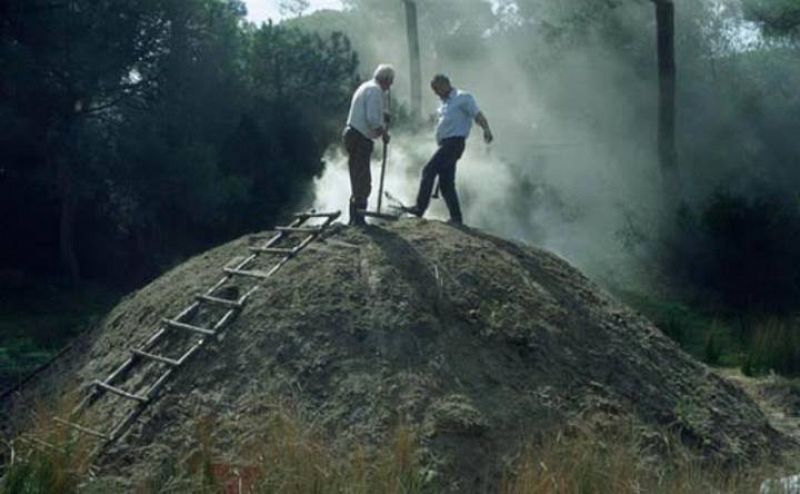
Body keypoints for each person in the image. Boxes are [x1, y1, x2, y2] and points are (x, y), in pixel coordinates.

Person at [405, 74, 493, 225]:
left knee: (428, 171)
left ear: (445, 84)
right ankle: (456, 218)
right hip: (446, 144)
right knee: (446, 184)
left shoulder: (463, 97)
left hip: (454, 143)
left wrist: (486, 129)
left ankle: (419, 208)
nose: (435, 92)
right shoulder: (443, 104)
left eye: (436, 88)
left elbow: (477, 114)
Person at [343, 64, 394, 226]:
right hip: (360, 138)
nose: (389, 87)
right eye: (390, 82)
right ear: (386, 80)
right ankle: (358, 219)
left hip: (353, 134)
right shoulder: (375, 91)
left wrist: (383, 115)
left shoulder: (367, 87)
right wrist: (383, 132)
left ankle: (355, 217)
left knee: (358, 176)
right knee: (362, 179)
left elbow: (371, 113)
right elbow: (372, 118)